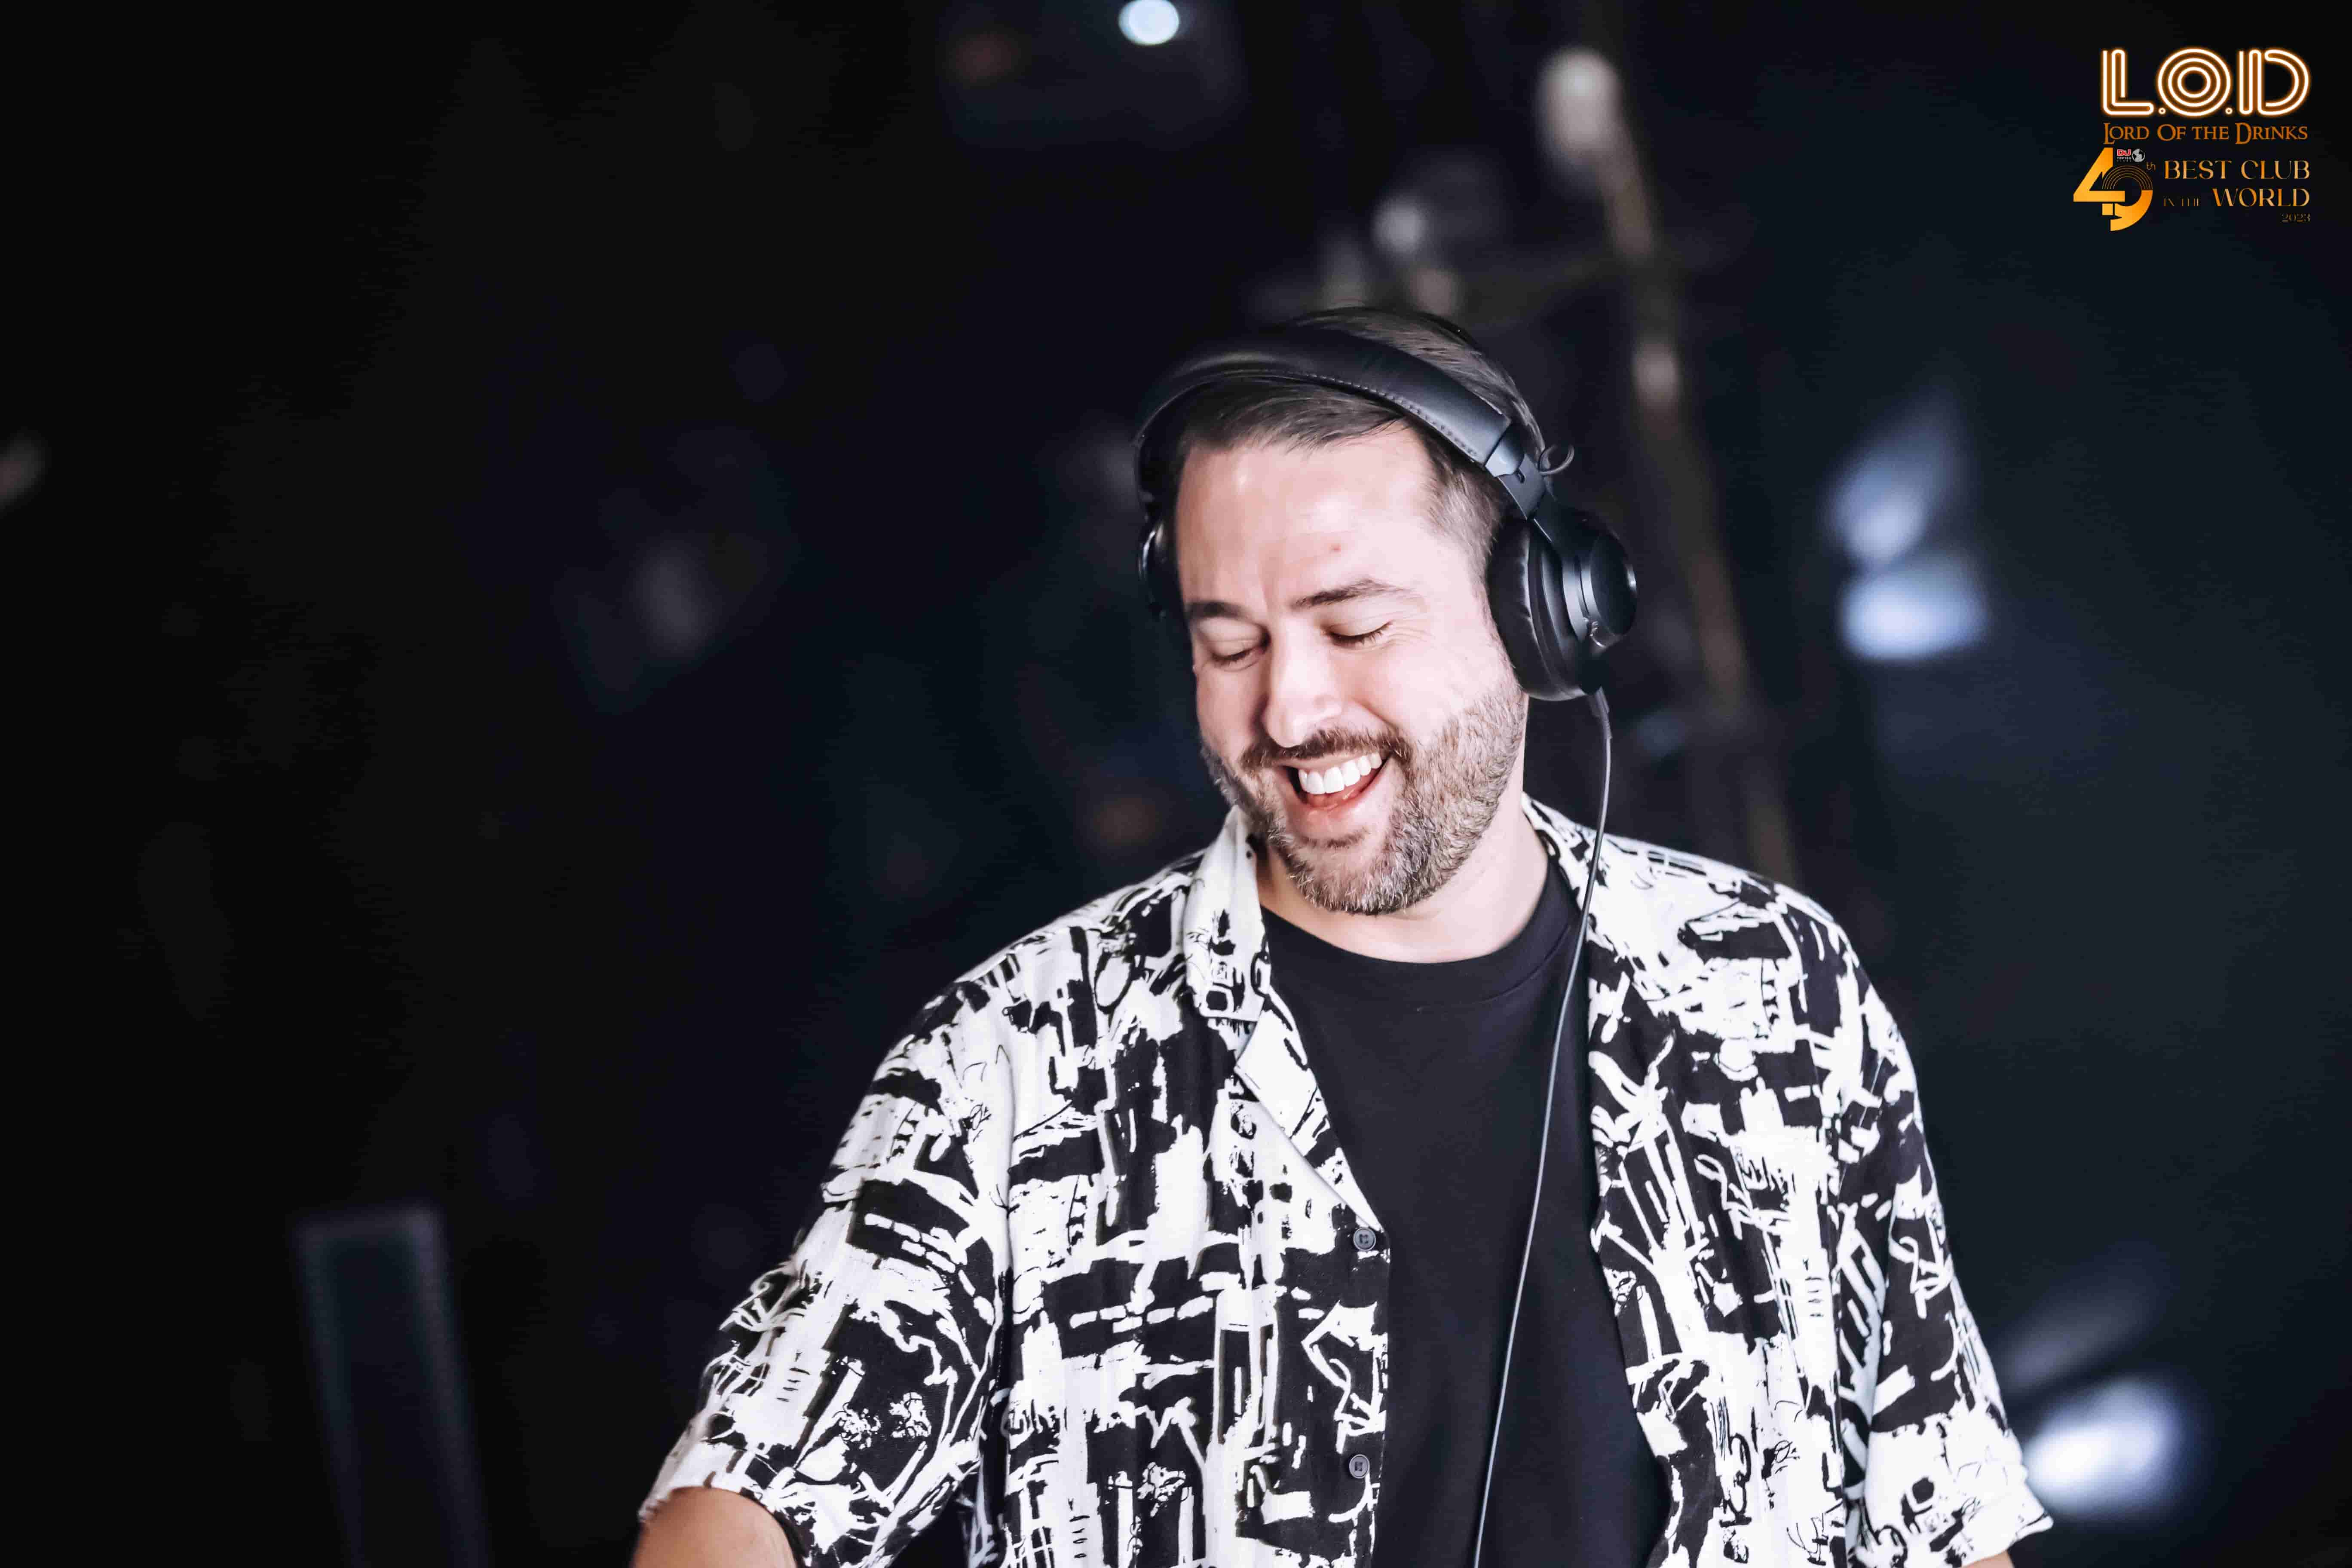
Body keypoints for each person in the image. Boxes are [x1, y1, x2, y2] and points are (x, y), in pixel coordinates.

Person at [633, 307, 2049, 1568]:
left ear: (1536, 614)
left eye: (1354, 625)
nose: (1288, 711)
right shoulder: (1013, 1066)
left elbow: (1938, 1509)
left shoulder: (1776, 987)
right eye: (1229, 644)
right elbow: (748, 1495)